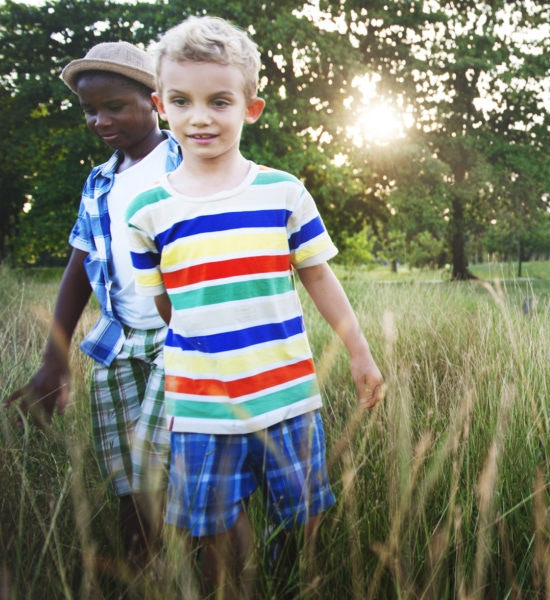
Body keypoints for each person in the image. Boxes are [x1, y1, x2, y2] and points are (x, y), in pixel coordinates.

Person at [126, 16, 384, 596]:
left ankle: (290, 577)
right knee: (212, 533)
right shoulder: (147, 212)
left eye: (219, 101)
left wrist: (360, 353)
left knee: (307, 516)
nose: (200, 117)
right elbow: (165, 306)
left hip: (287, 394)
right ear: (159, 106)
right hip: (202, 406)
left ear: (251, 108)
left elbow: (319, 276)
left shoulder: (282, 192)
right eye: (181, 101)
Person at [4, 41, 180, 568]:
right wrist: (53, 360)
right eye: (89, 110)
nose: (99, 120)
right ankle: (140, 574)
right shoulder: (99, 182)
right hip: (117, 340)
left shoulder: (190, 161)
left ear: (156, 102)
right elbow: (79, 266)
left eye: (114, 107)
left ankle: (198, 574)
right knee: (126, 476)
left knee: (160, 463)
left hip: (181, 338)